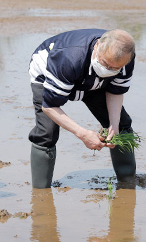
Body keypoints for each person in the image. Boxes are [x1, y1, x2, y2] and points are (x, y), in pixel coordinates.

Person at [28, 28, 136, 188]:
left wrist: (114, 124)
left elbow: (115, 91)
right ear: (97, 45)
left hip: (94, 82)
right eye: (106, 64)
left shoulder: (125, 58)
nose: (109, 70)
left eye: (115, 68)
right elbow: (49, 107)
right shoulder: (68, 58)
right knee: (47, 133)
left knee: (121, 125)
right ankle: (41, 192)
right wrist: (83, 134)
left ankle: (127, 183)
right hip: (49, 73)